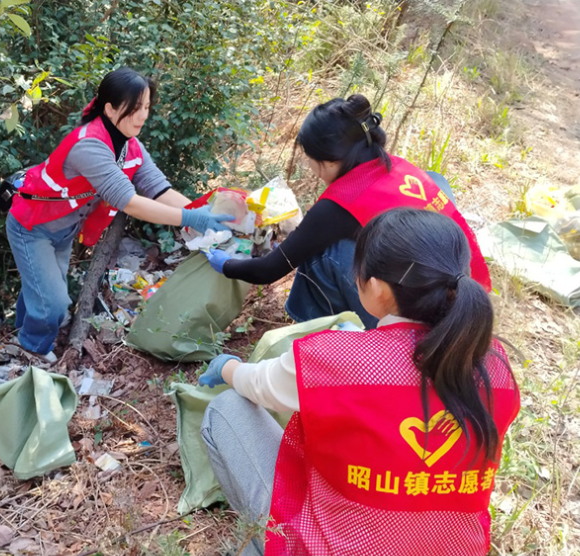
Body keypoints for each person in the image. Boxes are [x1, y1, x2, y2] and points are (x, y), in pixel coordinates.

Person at [197, 208, 520, 556]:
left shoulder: (335, 359)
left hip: (338, 548)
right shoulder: (495, 364)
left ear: (377, 289)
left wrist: (227, 365)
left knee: (226, 409)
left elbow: (258, 384)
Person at [205, 94, 490, 329]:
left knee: (320, 251)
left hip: (424, 325)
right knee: (434, 180)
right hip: (470, 297)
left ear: (328, 161)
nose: (310, 169)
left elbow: (269, 269)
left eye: (310, 160)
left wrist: (225, 263)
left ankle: (315, 330)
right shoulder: (399, 166)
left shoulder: (340, 204)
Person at [7, 67, 233, 361]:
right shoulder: (88, 145)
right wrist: (192, 219)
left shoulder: (130, 146)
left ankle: (22, 330)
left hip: (63, 230)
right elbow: (129, 201)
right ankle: (32, 348)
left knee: (40, 287)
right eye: (136, 108)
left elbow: (159, 189)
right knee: (54, 302)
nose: (143, 116)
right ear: (110, 108)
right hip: (32, 226)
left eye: (147, 107)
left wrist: (200, 211)